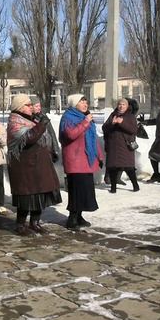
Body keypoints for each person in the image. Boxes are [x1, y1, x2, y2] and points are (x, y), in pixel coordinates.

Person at [7, 94, 62, 235]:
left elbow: (44, 137)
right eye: (28, 105)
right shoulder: (15, 122)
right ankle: (20, 225)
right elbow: (28, 138)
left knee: (40, 195)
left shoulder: (31, 119)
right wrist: (42, 125)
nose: (31, 107)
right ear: (19, 107)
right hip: (25, 167)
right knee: (26, 197)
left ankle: (35, 222)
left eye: (31, 105)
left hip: (39, 165)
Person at [59, 94, 103, 231]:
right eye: (82, 102)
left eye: (86, 101)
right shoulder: (68, 118)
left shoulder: (85, 117)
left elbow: (93, 138)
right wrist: (85, 122)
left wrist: (99, 155)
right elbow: (70, 134)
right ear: (74, 104)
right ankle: (72, 218)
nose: (85, 104)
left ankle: (79, 216)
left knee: (85, 191)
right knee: (76, 191)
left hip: (86, 160)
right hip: (75, 160)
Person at [102, 98, 140, 193]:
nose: (121, 106)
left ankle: (135, 185)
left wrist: (121, 123)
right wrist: (112, 123)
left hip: (125, 146)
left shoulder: (130, 116)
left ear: (127, 106)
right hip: (113, 146)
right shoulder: (113, 115)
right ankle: (113, 188)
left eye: (123, 104)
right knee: (113, 167)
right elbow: (104, 128)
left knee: (129, 168)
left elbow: (133, 130)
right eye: (119, 104)